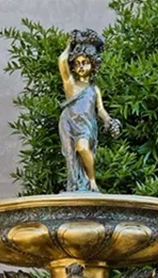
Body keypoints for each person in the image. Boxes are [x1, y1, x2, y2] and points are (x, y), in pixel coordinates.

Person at [58, 30, 121, 192]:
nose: (80, 66)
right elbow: (61, 61)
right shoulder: (71, 85)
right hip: (69, 124)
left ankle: (92, 181)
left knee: (83, 147)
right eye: (77, 63)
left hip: (87, 126)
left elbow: (100, 110)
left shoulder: (94, 89)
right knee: (72, 157)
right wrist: (69, 45)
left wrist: (108, 120)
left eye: (85, 62)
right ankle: (78, 184)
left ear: (93, 65)